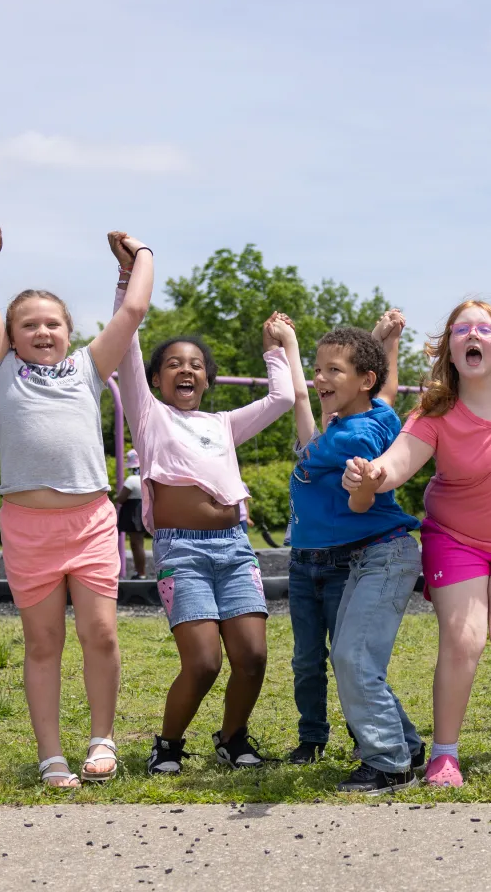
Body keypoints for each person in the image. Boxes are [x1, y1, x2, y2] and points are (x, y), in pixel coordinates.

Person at [345, 301, 491, 786]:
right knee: (465, 639)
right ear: (450, 345)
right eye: (460, 329)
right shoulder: (435, 410)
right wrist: (371, 473)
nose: (472, 335)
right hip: (456, 538)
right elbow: (397, 464)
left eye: (484, 329)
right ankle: (445, 754)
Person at [0, 226, 154, 788]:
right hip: (28, 528)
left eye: (53, 323)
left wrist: (142, 255)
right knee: (43, 642)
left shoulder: (87, 370)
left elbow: (135, 308)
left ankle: (103, 740)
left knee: (101, 635)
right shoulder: (0, 371)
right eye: (29, 324)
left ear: (70, 333)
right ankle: (51, 755)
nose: (42, 330)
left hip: (90, 523)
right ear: (10, 336)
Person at [112, 246, 298, 778]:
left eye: (196, 364)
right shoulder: (149, 416)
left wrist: (274, 348)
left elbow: (283, 398)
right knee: (203, 662)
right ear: (156, 379)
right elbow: (127, 344)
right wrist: (127, 280)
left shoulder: (223, 424)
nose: (186, 369)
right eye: (174, 364)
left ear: (209, 379)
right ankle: (168, 744)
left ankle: (232, 737)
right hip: (183, 552)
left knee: (252, 658)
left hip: (235, 551)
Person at [289, 317, 433, 793]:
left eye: (333, 371)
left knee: (352, 658)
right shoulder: (373, 416)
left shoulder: (353, 437)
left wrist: (364, 483)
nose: (320, 379)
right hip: (368, 557)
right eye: (318, 369)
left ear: (362, 381)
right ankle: (406, 744)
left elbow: (364, 492)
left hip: (382, 556)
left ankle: (390, 763)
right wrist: (383, 340)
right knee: (355, 659)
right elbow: (383, 391)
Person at [116, 449, 148, 579]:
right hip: (142, 511)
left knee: (136, 543)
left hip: (134, 513)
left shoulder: (131, 480)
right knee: (138, 543)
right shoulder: (144, 478)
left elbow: (121, 498)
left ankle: (140, 573)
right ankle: (139, 571)